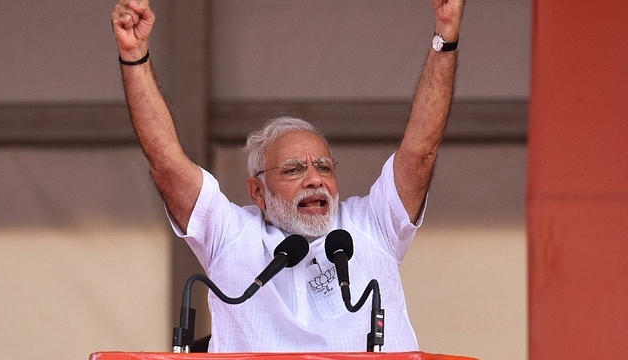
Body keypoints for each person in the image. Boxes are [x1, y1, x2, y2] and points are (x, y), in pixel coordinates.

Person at [112, 0, 465, 353]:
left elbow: (420, 152)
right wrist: (134, 56)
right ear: (258, 191)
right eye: (294, 169)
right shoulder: (230, 236)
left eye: (324, 167)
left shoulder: (373, 225)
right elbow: (166, 165)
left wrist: (445, 38)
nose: (314, 179)